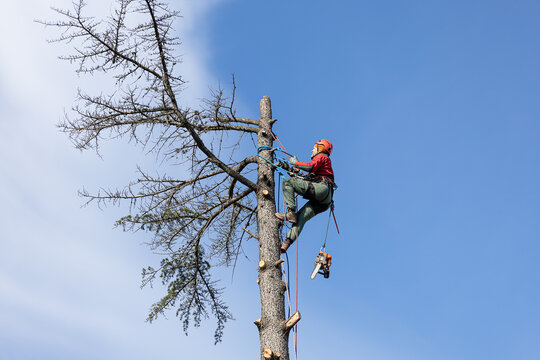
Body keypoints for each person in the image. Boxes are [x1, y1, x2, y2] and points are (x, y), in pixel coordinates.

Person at [275, 139, 336, 253]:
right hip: (324, 202)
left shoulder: (322, 157)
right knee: (301, 217)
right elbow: (304, 178)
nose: (312, 150)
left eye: (314, 148)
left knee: (288, 183)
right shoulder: (322, 166)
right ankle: (287, 242)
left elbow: (310, 167)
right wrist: (289, 169)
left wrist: (295, 163)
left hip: (321, 189)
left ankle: (290, 212)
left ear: (320, 148)